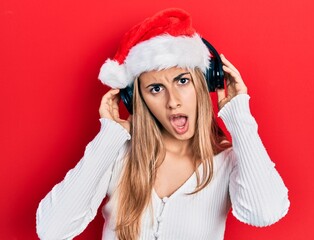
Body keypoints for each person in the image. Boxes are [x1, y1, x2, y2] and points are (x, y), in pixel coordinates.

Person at [36, 8, 290, 240]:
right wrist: (108, 138)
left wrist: (239, 115)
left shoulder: (228, 161)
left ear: (203, 84)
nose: (173, 102)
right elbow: (52, 230)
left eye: (182, 81)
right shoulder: (118, 156)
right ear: (138, 100)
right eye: (156, 89)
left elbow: (265, 212)